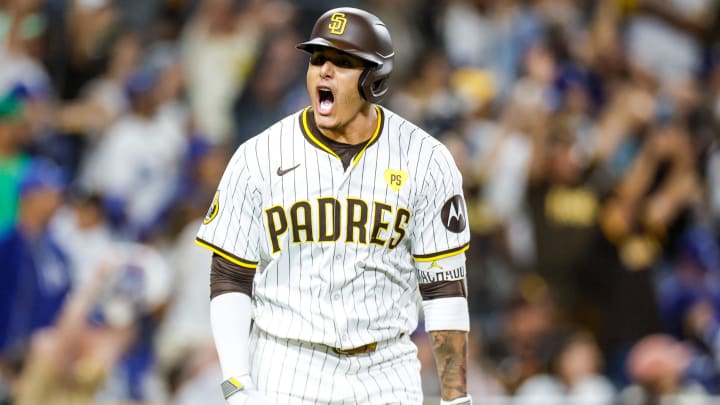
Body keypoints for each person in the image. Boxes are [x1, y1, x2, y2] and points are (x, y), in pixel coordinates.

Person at [195, 7, 472, 405]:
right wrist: (237, 382)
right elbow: (229, 277)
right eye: (317, 59)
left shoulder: (426, 159)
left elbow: (444, 288)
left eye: (342, 62)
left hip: (386, 370)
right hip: (285, 365)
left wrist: (456, 397)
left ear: (375, 79)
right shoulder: (257, 155)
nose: (324, 71)